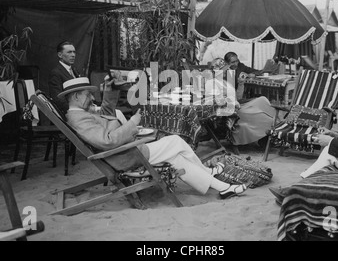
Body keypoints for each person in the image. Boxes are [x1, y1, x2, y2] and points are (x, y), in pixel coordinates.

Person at [57, 76, 248, 200]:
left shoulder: (80, 112)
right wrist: (133, 122)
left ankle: (222, 187)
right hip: (125, 155)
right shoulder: (79, 118)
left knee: (177, 158)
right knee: (176, 141)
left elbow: (107, 114)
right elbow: (107, 141)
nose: (91, 97)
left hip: (128, 150)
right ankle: (209, 173)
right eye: (87, 94)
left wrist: (110, 89)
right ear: (75, 96)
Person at [206, 58, 276, 147]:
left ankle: (270, 132)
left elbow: (238, 97)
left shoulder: (225, 81)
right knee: (262, 115)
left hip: (237, 106)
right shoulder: (211, 83)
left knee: (263, 100)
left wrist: (240, 83)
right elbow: (214, 101)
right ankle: (267, 135)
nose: (226, 71)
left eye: (226, 69)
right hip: (229, 112)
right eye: (223, 70)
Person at [48, 41, 80, 113]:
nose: (73, 55)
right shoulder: (55, 73)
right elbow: (58, 99)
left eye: (74, 52)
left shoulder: (74, 70)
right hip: (67, 115)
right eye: (69, 52)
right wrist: (76, 111)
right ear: (60, 55)